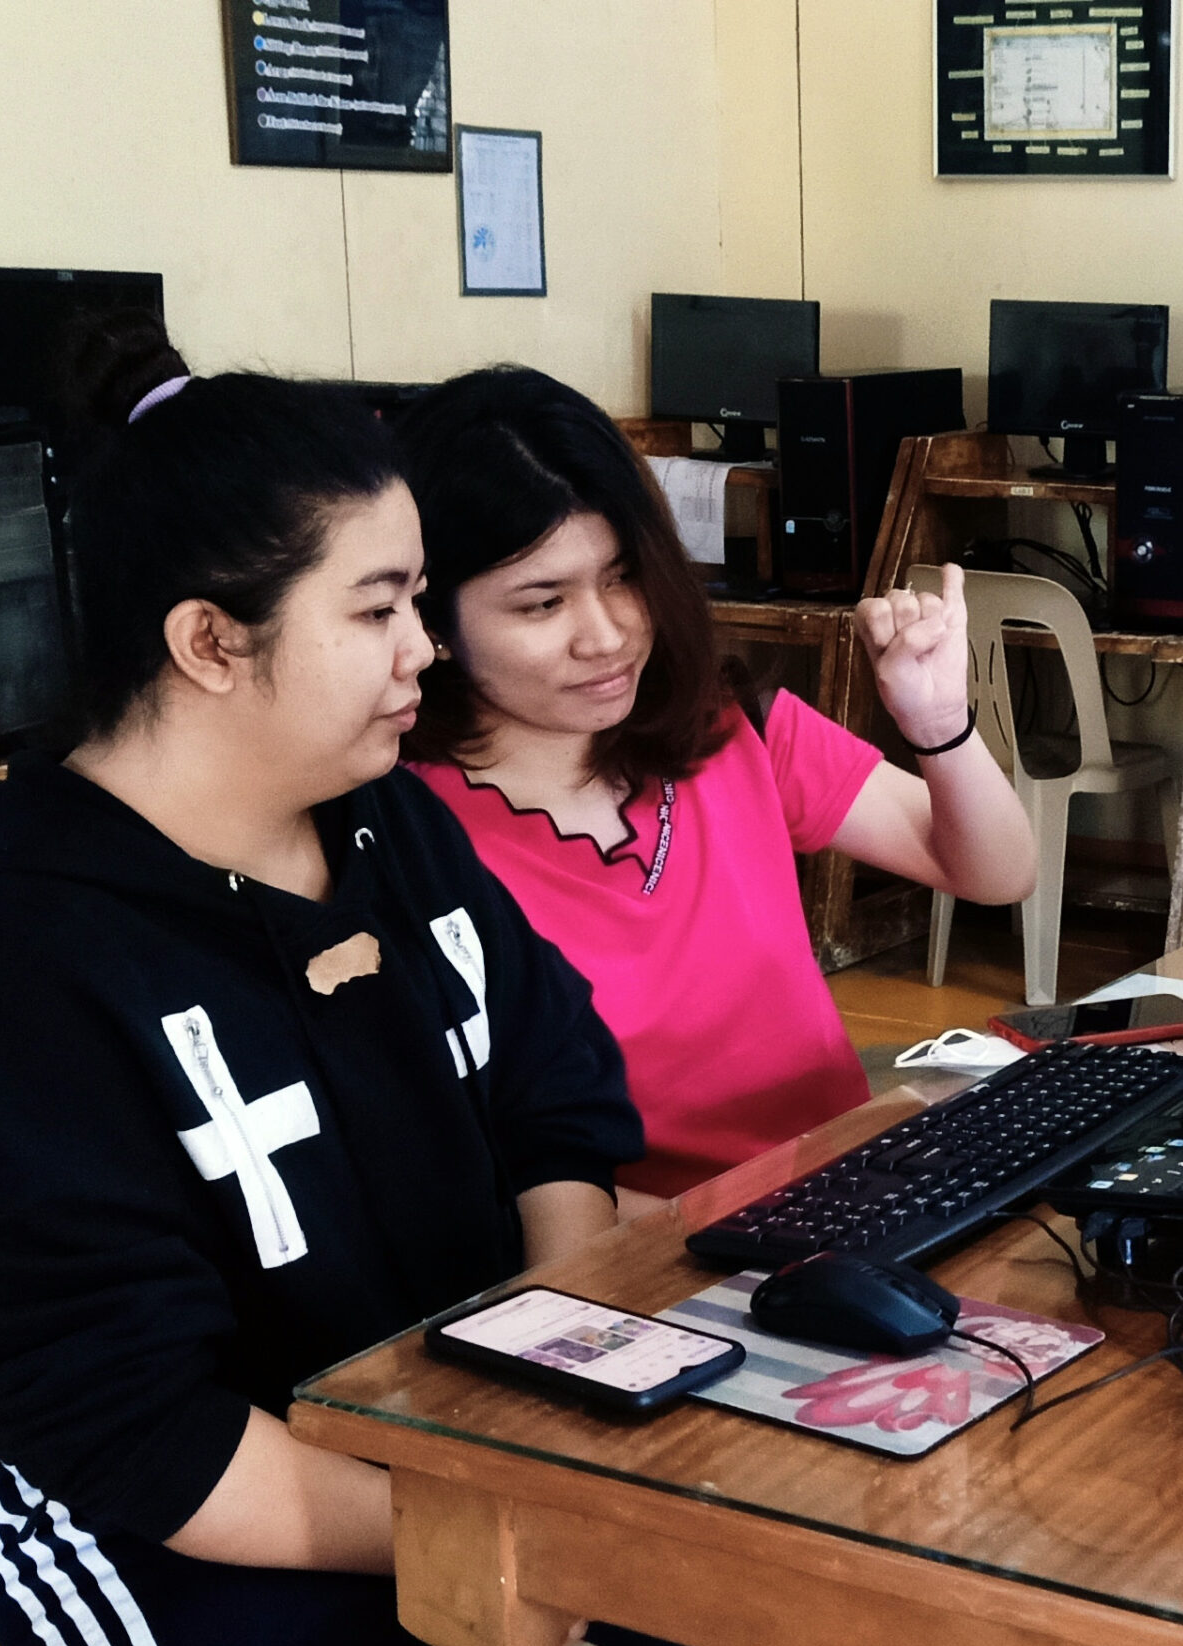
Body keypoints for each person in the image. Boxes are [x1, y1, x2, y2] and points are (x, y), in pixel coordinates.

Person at [0, 320, 868, 1646]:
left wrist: (556, 1365)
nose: (424, 650)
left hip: (451, 1420)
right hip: (193, 1522)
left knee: (801, 1633)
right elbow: (141, 1428)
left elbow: (549, 1090)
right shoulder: (28, 963)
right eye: (379, 607)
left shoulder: (381, 821)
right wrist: (493, 1529)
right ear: (209, 640)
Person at [393, 367, 1035, 1203]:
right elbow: (485, 1179)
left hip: (862, 1192)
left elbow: (996, 871)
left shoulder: (729, 727)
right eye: (542, 604)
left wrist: (938, 723)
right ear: (433, 621)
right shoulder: (412, 839)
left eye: (624, 576)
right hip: (660, 1261)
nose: (609, 634)